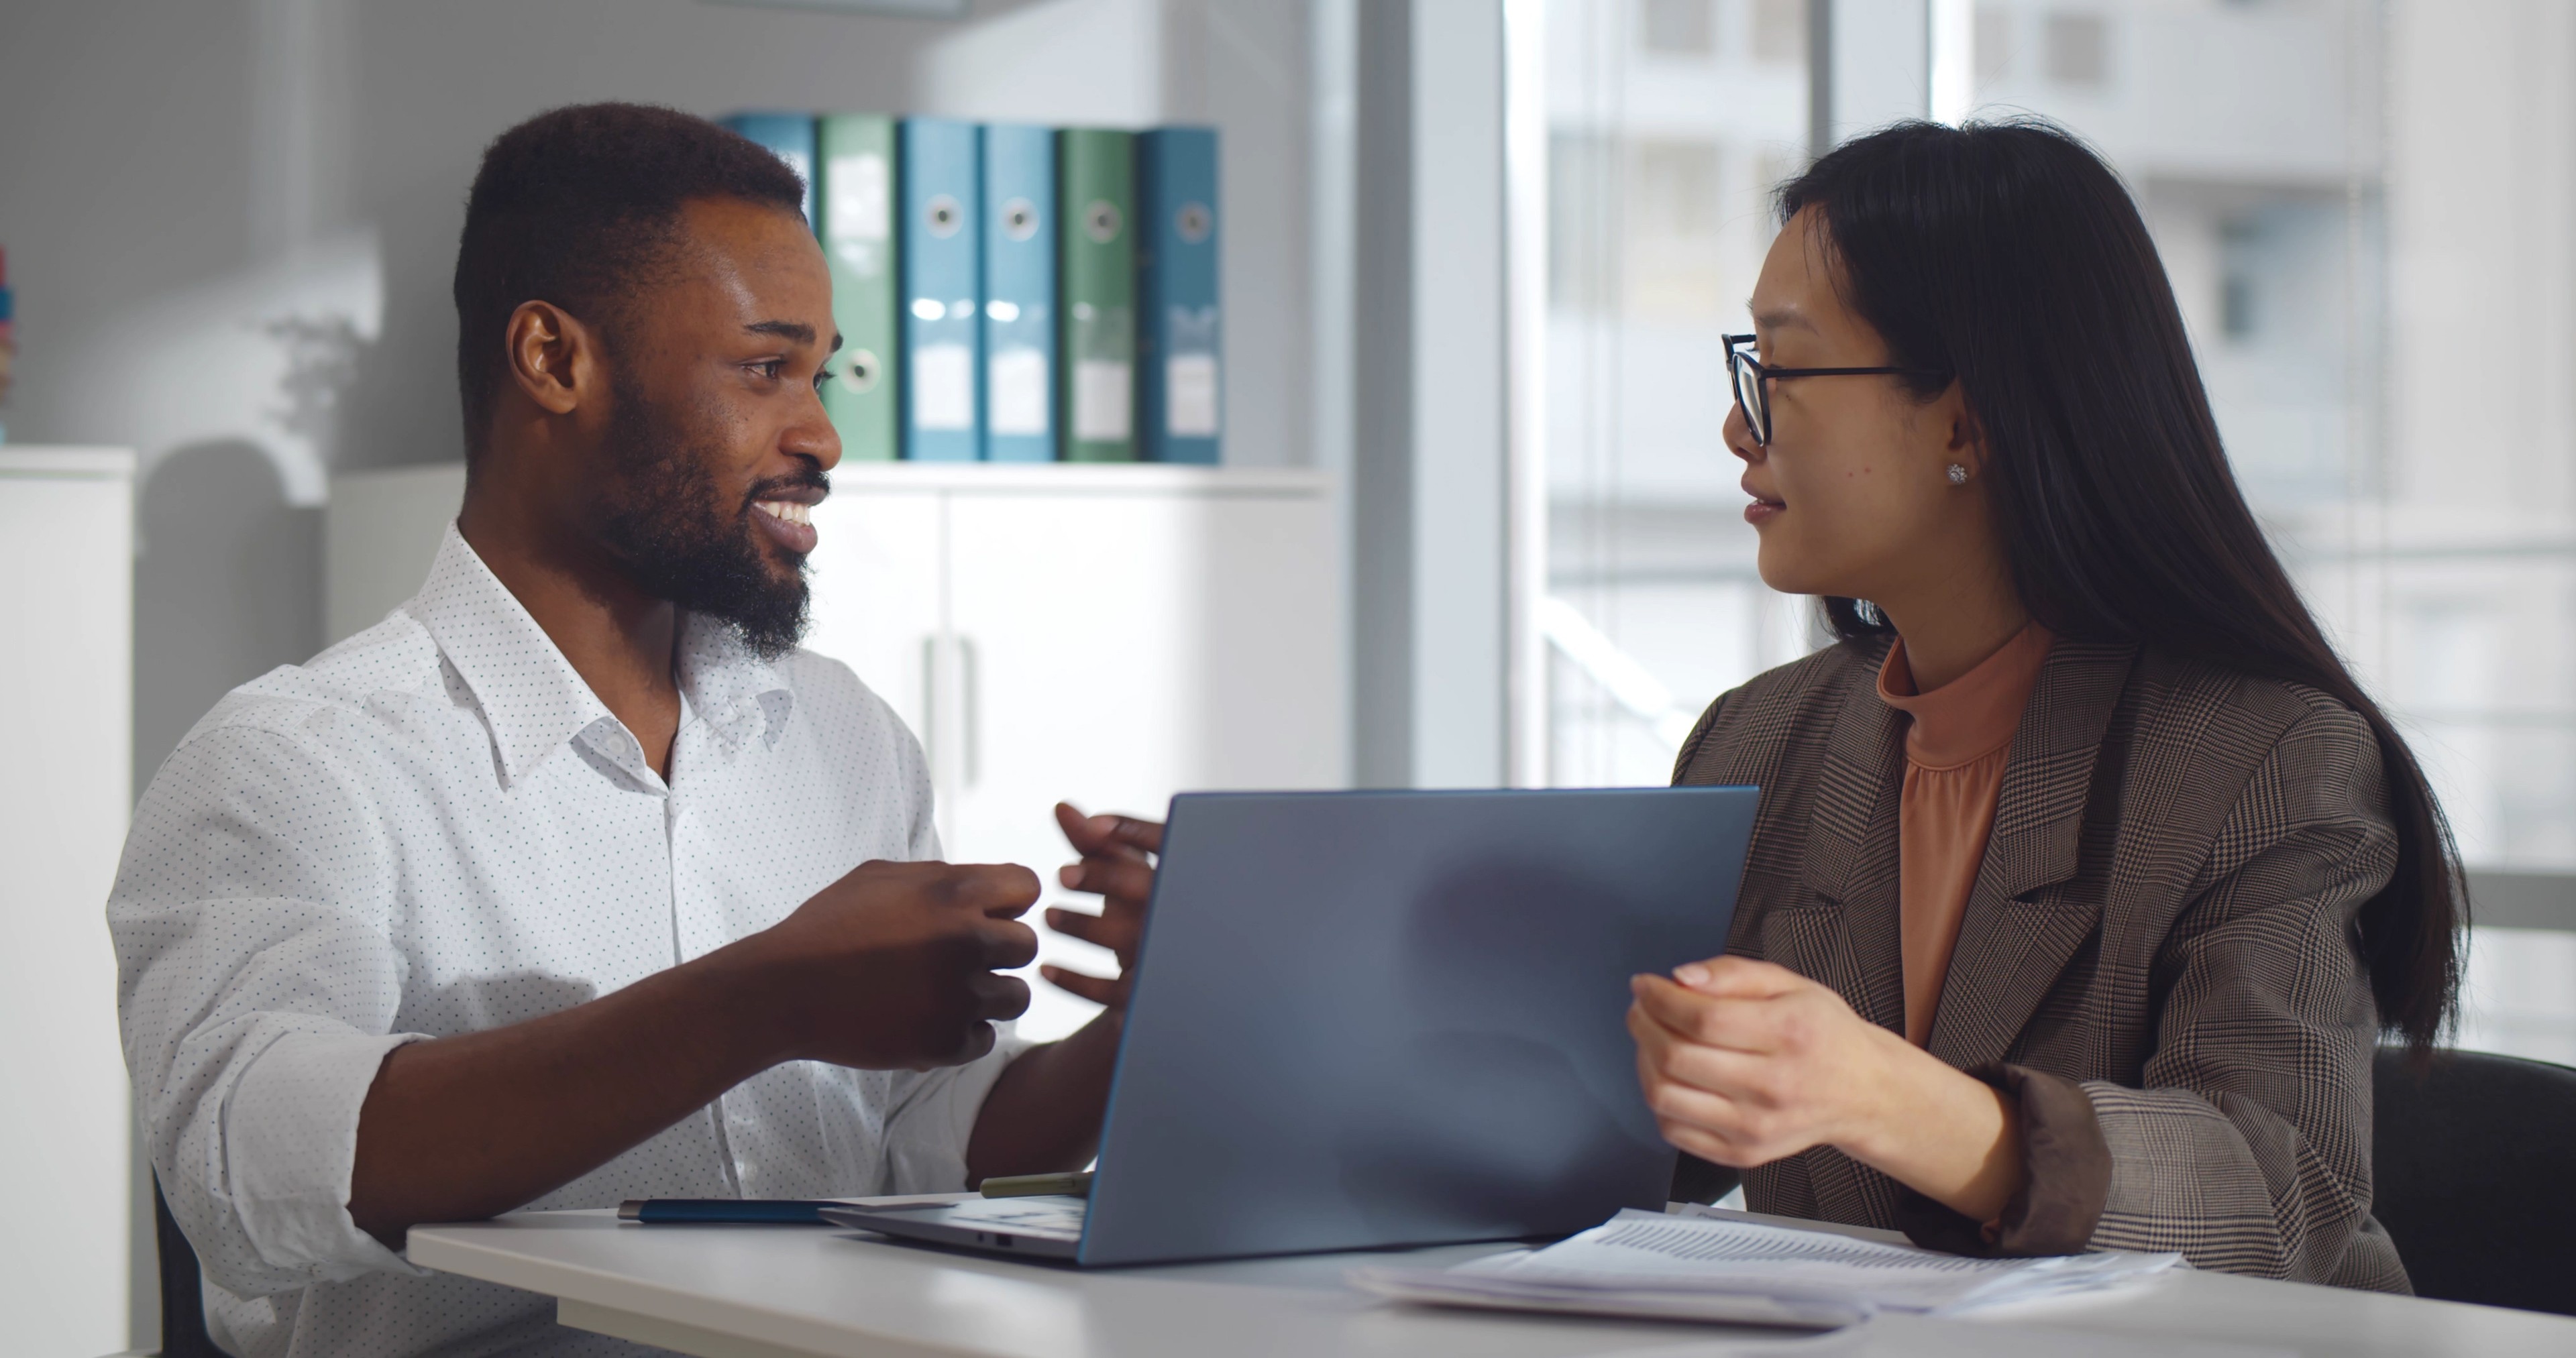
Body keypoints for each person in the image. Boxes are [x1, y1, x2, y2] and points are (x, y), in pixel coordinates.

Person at [109, 103, 1159, 1358]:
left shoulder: (845, 736)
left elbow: (916, 1141)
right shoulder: (295, 760)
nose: (821, 434)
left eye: (820, 374)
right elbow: (254, 1177)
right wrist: (760, 1000)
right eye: (765, 368)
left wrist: (1143, 1034)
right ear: (554, 360)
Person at [1621, 120, 2460, 1290]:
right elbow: (1621, 1149)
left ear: (1966, 420)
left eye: (1784, 371)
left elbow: (2280, 1191)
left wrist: (1881, 1092)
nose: (1736, 426)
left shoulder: (2268, 757)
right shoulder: (1762, 738)